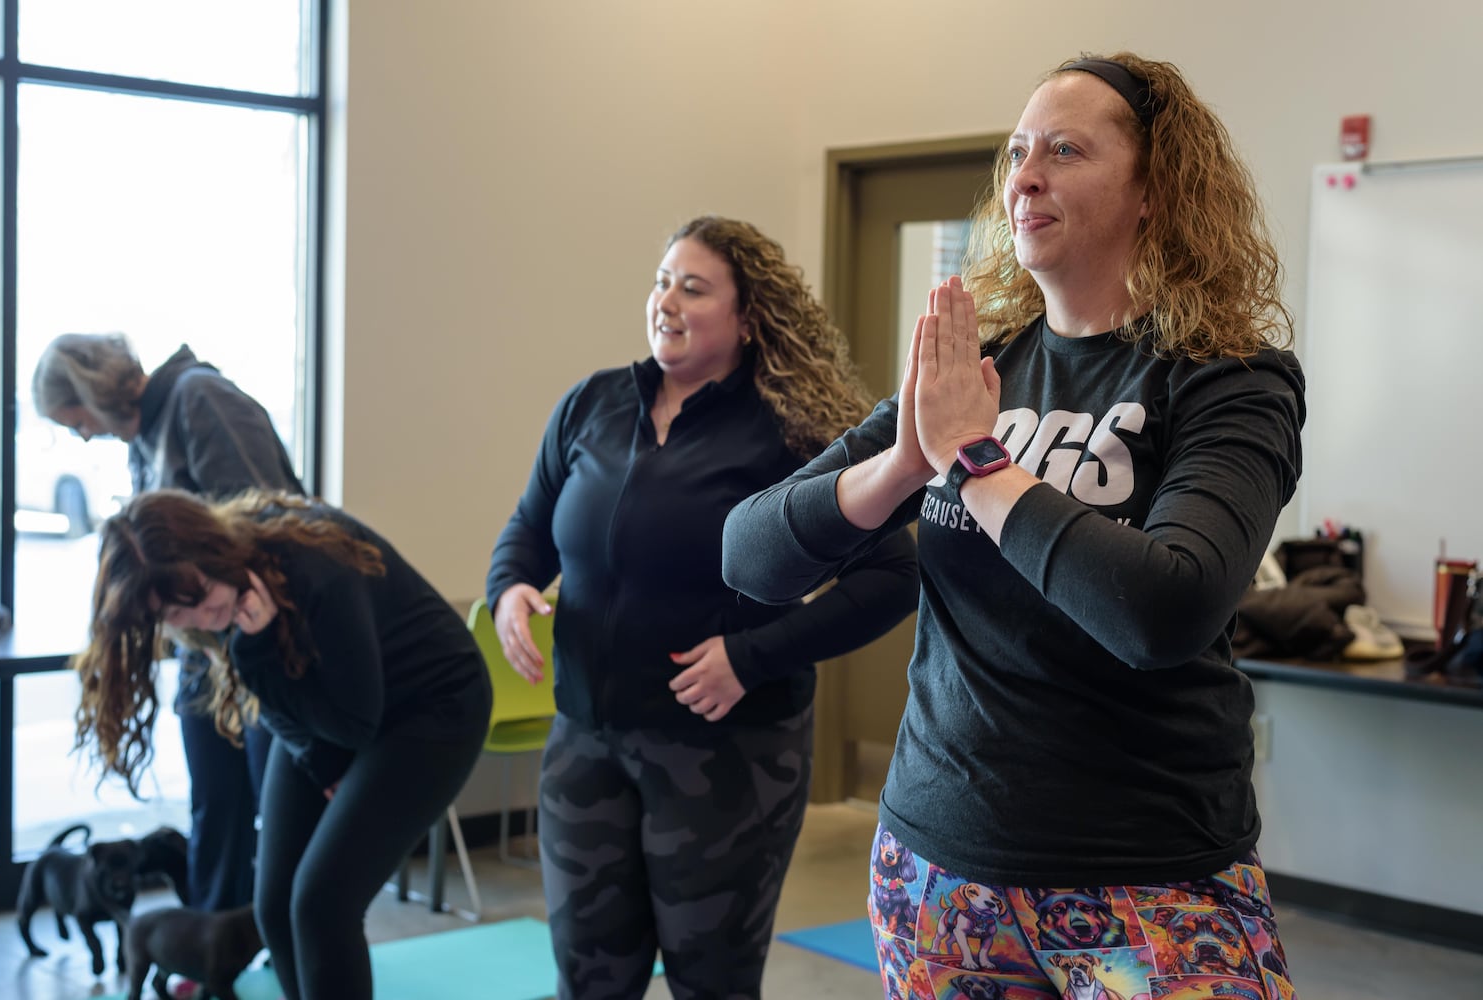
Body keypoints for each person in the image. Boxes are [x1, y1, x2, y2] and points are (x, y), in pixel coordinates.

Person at [724, 53, 1305, 1000]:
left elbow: (1165, 607)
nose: (1024, 177)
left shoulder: (1227, 378)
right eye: (1017, 152)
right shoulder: (978, 367)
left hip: (1151, 879)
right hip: (940, 875)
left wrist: (977, 460)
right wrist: (909, 460)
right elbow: (750, 557)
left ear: (1155, 190)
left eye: (1065, 150)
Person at [487, 215, 919, 999]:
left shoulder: (792, 431)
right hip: (587, 742)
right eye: (661, 282)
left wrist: (750, 658)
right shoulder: (591, 405)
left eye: (694, 287)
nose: (668, 301)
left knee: (710, 982)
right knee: (587, 980)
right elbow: (527, 530)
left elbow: (893, 574)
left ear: (748, 318)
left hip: (727, 758)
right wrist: (511, 588)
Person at [72, 489, 492, 1000]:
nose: (204, 618)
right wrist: (323, 765)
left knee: (323, 904)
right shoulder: (225, 594)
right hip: (324, 707)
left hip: (433, 705)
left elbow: (354, 724)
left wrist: (257, 652)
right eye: (178, 617)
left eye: (202, 597)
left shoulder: (316, 567)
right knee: (273, 906)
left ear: (211, 549)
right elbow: (285, 709)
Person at [33, 334, 302, 917]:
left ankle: (289, 953)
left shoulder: (200, 400)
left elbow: (267, 522)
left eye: (74, 418)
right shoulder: (145, 438)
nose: (80, 434)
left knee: (280, 810)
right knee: (215, 805)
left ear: (88, 391)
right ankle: (209, 948)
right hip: (205, 657)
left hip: (260, 648)